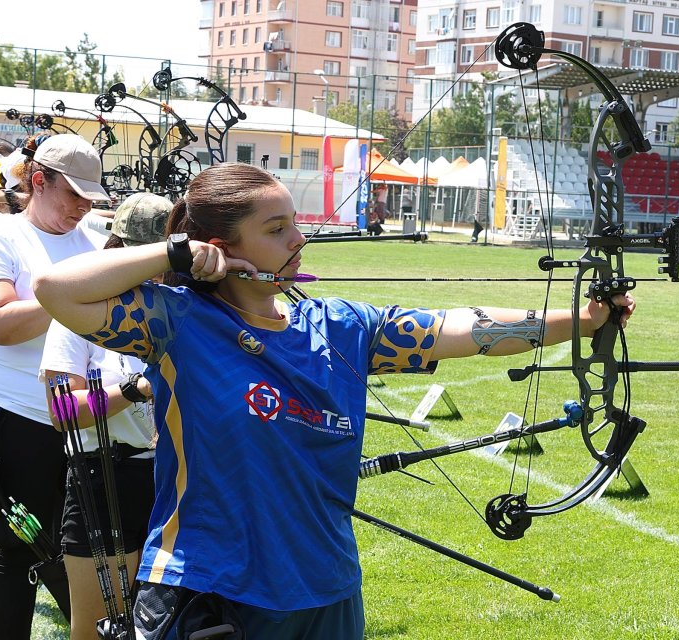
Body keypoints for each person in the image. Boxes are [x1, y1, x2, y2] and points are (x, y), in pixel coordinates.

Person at [33, 164, 633, 639]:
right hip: (212, 591)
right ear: (222, 246)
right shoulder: (177, 323)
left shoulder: (341, 325)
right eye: (275, 230)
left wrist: (578, 321)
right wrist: (175, 255)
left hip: (327, 591)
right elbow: (56, 292)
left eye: (293, 223)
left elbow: (461, 328)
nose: (298, 239)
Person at [0, 133, 110, 637]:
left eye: (91, 196)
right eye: (74, 194)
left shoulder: (95, 239)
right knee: (19, 547)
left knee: (82, 547)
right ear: (38, 181)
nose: (83, 207)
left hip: (85, 420)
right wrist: (72, 295)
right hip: (15, 415)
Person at [41, 193, 169, 640]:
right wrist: (134, 388)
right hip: (104, 477)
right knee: (98, 630)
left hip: (173, 480)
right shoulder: (79, 316)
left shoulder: (178, 308)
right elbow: (62, 412)